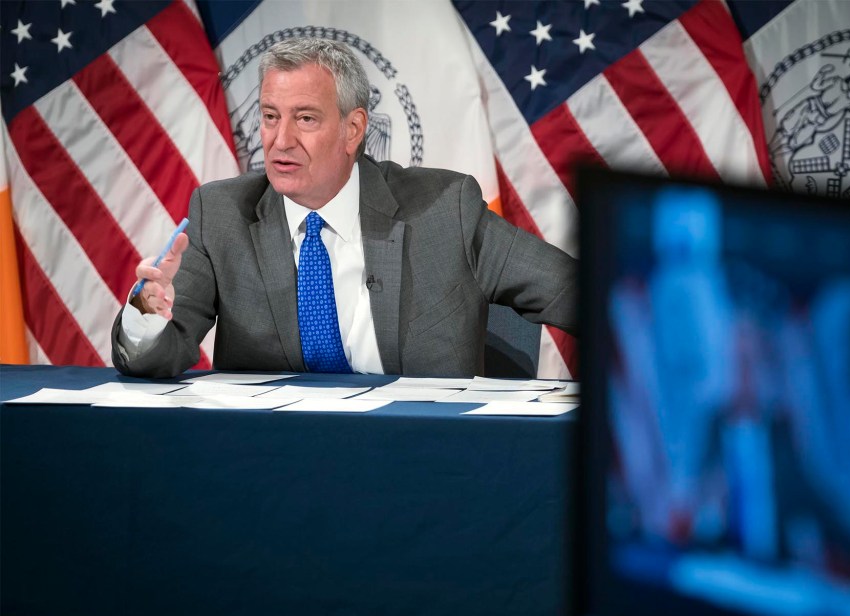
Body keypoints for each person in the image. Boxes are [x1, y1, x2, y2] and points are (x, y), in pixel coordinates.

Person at [111, 37, 576, 378]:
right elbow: (156, 357)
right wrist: (148, 312)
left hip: (421, 461)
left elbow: (576, 292)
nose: (280, 140)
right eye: (270, 116)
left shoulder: (444, 210)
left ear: (354, 129)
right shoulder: (221, 213)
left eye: (306, 118)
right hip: (273, 468)